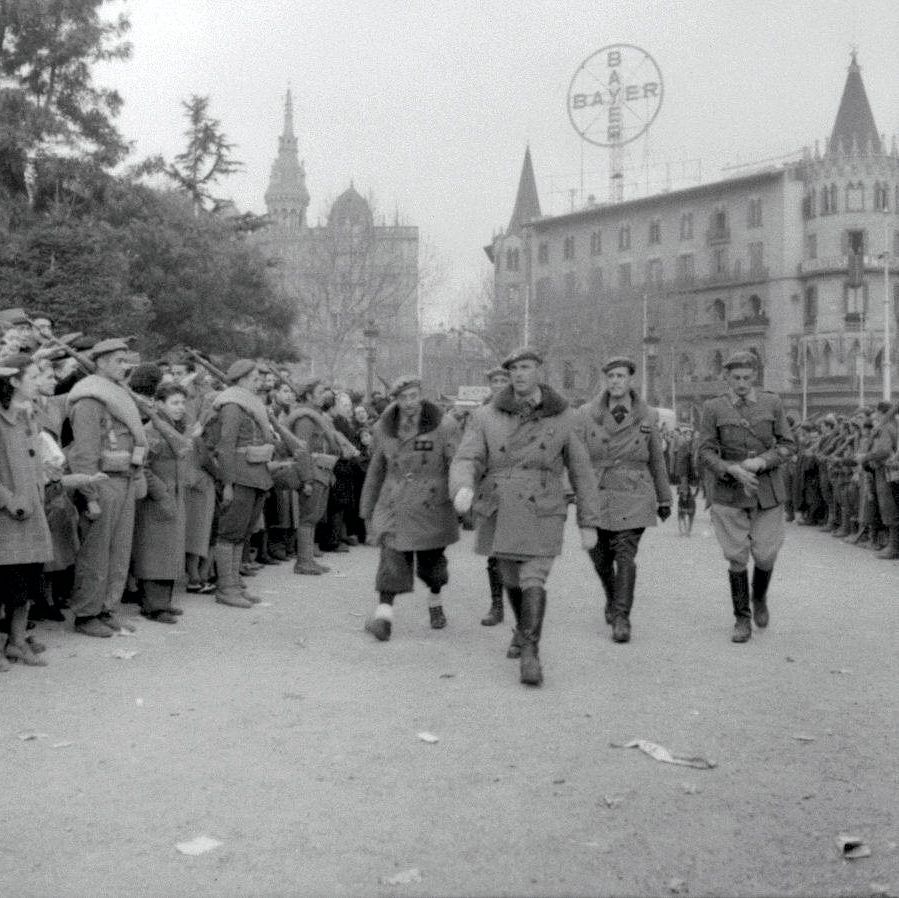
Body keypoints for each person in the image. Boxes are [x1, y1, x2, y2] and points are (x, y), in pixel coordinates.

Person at [450, 347, 601, 687]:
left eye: (526, 367)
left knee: (534, 576)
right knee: (510, 577)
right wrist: (461, 486)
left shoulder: (564, 416)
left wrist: (588, 521)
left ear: (539, 371)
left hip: (543, 504)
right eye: (514, 368)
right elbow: (467, 457)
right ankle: (522, 630)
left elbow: (582, 470)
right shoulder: (487, 415)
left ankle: (531, 652)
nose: (520, 374)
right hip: (500, 505)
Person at [698, 351, 794, 643]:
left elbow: (788, 444)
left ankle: (760, 597)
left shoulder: (772, 403)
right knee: (736, 557)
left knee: (765, 554)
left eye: (746, 377)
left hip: (767, 490)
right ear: (727, 377)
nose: (741, 383)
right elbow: (704, 451)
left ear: (755, 376)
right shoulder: (713, 407)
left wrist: (762, 462)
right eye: (735, 377)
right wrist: (730, 469)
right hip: (730, 492)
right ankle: (742, 619)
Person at [574, 356, 671, 643]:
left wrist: (664, 497)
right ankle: (612, 596)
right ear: (605, 380)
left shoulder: (647, 415)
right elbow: (576, 456)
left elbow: (657, 458)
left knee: (625, 554)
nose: (615, 381)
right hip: (597, 491)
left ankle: (621, 617)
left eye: (621, 376)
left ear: (630, 380)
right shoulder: (586, 413)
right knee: (599, 555)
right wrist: (572, 491)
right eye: (611, 376)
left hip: (634, 491)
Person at [360, 376, 460, 641]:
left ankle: (435, 600)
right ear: (396, 399)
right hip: (393, 502)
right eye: (403, 398)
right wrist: (367, 509)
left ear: (421, 394)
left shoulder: (444, 425)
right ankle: (383, 618)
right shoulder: (385, 427)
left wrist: (463, 496)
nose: (409, 403)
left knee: (432, 567)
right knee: (391, 559)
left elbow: (457, 464)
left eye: (413, 396)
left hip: (432, 504)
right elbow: (377, 469)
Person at [66, 338, 148, 637]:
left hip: (124, 479)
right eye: (117, 360)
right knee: (96, 553)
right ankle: (87, 613)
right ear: (99, 362)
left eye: (126, 360)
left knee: (119, 551)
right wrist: (89, 497)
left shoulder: (118, 394)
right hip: (101, 483)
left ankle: (108, 609)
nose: (124, 366)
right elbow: (84, 455)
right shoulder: (89, 398)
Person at [0, 356, 54, 667]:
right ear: (15, 382)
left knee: (27, 583)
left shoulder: (27, 416)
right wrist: (8, 499)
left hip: (32, 512)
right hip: (8, 516)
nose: (38, 381)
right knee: (6, 583)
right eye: (33, 376)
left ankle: (17, 643)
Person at [208, 360, 274, 608]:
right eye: (256, 378)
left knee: (242, 533)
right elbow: (225, 448)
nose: (260, 382)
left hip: (256, 475)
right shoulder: (233, 405)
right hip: (239, 476)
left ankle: (234, 584)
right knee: (230, 533)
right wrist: (227, 483)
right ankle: (226, 588)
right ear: (243, 379)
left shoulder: (250, 404)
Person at [131, 383, 190, 623]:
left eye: (182, 403)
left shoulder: (170, 429)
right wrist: (161, 494)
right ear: (159, 404)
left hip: (173, 494)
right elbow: (142, 467)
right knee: (154, 552)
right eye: (174, 403)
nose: (181, 408)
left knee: (170, 550)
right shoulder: (151, 431)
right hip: (157, 498)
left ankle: (162, 601)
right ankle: (153, 605)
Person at [479, 365, 511, 628]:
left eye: (504, 380)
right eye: (495, 381)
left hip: (520, 489)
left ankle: (520, 607)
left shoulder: (522, 411)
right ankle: (496, 605)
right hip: (491, 489)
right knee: (493, 553)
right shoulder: (482, 415)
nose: (499, 384)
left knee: (520, 552)